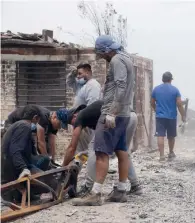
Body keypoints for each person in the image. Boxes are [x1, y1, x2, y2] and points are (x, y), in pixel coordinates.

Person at [72, 35, 135, 206]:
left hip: (112, 113)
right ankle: (121, 191)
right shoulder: (126, 59)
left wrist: (112, 112)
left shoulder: (116, 61)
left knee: (100, 152)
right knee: (121, 151)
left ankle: (95, 194)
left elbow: (120, 86)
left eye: (102, 53)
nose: (102, 57)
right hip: (124, 113)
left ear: (107, 50)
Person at [60, 100, 142, 200]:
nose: (73, 126)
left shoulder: (80, 117)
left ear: (74, 116)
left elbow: (72, 147)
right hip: (129, 116)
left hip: (114, 117)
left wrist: (63, 167)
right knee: (122, 151)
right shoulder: (91, 114)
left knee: (93, 148)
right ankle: (135, 185)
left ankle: (88, 187)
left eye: (71, 123)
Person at [1, 105, 58, 201]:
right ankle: (23, 191)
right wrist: (23, 169)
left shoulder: (20, 126)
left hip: (10, 170)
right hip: (13, 171)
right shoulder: (24, 126)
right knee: (53, 183)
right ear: (35, 118)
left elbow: (30, 153)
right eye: (38, 121)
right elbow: (16, 151)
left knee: (44, 160)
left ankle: (26, 194)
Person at [2, 105, 67, 161]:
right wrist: (47, 161)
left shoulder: (54, 124)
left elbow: (51, 142)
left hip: (24, 126)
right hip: (11, 123)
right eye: (59, 124)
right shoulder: (43, 117)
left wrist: (53, 160)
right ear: (54, 117)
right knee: (20, 148)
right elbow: (41, 143)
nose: (59, 127)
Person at [151, 71, 186, 161]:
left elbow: (152, 102)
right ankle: (170, 153)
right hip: (171, 117)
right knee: (171, 136)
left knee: (160, 135)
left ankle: (162, 156)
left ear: (163, 79)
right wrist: (183, 115)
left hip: (160, 117)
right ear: (171, 80)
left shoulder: (156, 89)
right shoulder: (175, 90)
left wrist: (156, 110)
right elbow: (179, 104)